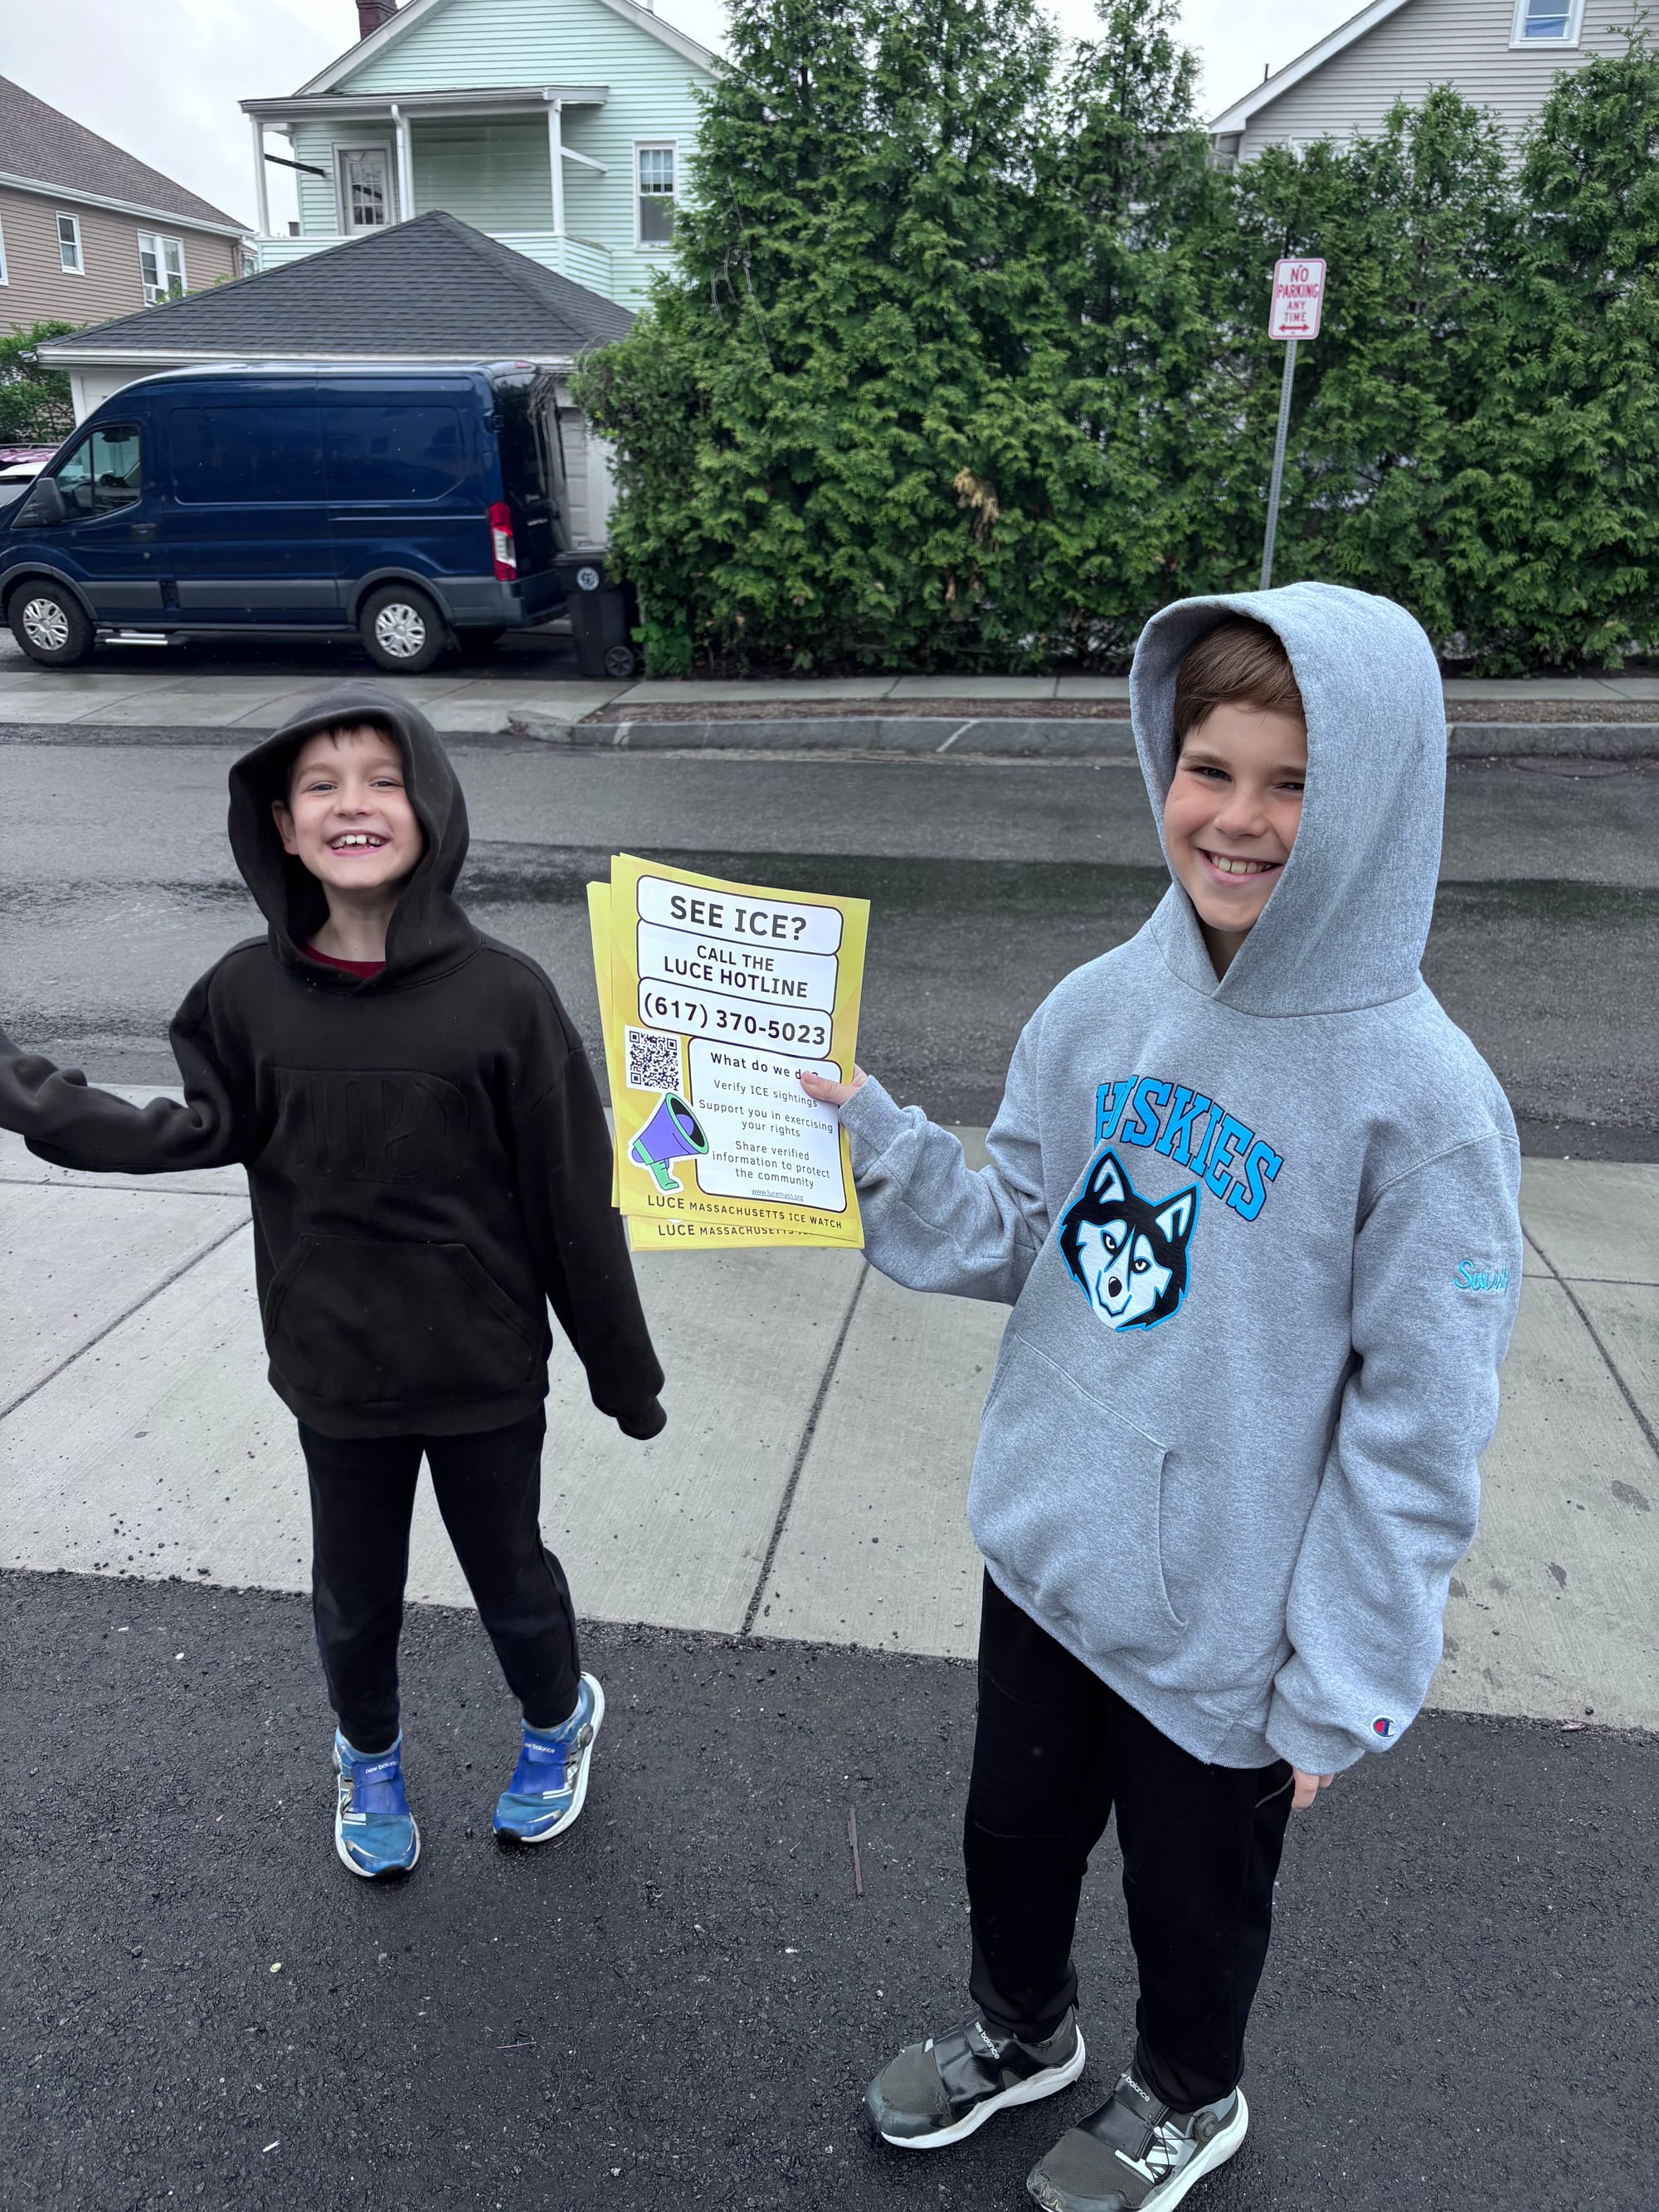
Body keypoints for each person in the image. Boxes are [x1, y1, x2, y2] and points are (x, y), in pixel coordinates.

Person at [800, 584, 1521, 2212]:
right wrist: (870, 1140)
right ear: (1161, 762)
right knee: (1009, 1838)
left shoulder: (1427, 1106)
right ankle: (1022, 2027)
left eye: (1294, 782)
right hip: (1052, 1552)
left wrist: (1343, 1679)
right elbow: (1019, 1231)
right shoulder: (1096, 1008)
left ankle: (1189, 2094)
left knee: (1194, 1905)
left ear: (1378, 796)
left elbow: (1419, 1431)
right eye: (1211, 767)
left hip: (1228, 1631)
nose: (1239, 818)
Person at [0, 685, 665, 1882]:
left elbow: (575, 1201)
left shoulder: (505, 998)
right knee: (354, 1598)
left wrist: (625, 1376)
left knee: (512, 1580)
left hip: (481, 1373)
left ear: (432, 806)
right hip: (334, 1369)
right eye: (321, 785)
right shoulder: (245, 998)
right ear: (283, 824)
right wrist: (24, 1094)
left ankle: (558, 1720)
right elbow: (177, 1130)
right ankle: (368, 1756)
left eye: (383, 778)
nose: (353, 804)